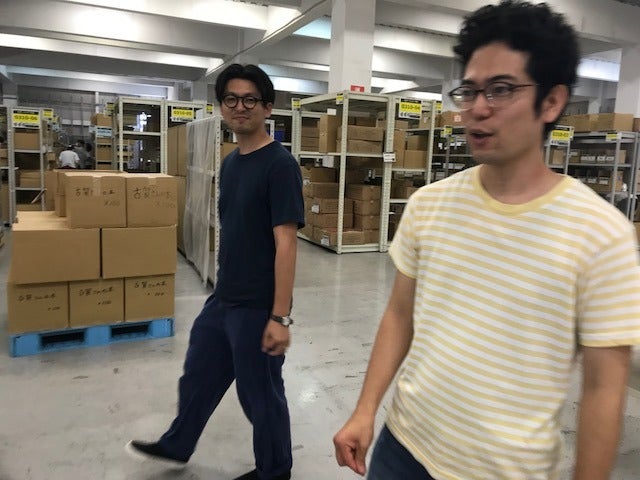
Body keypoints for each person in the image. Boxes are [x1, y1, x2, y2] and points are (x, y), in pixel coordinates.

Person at [333, 2, 640, 480]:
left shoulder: (600, 234)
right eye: (470, 90)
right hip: (403, 448)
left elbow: (604, 388)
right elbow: (399, 316)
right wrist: (365, 409)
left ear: (552, 102)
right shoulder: (429, 204)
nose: (477, 108)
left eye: (501, 89)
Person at [126, 63, 304, 480]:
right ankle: (178, 444)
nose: (240, 107)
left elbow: (287, 243)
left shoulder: (279, 165)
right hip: (225, 296)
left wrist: (279, 317)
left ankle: (275, 471)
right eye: (231, 99)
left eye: (250, 99)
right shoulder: (231, 163)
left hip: (257, 304)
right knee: (199, 374)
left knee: (259, 394)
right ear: (221, 107)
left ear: (267, 107)